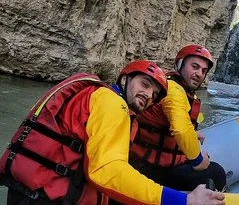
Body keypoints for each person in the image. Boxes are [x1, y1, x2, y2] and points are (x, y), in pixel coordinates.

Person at [0, 60, 226, 204]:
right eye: (145, 84)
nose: (149, 95)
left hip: (28, 191)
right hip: (48, 197)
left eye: (155, 94)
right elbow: (107, 171)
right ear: (125, 79)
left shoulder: (96, 94)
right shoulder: (113, 103)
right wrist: (183, 200)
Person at [129, 44, 227, 192]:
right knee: (216, 173)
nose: (199, 74)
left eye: (203, 70)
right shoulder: (174, 90)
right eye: (194, 66)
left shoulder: (180, 90)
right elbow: (181, 130)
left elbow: (169, 122)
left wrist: (193, 134)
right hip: (148, 168)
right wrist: (198, 160)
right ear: (179, 65)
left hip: (154, 162)